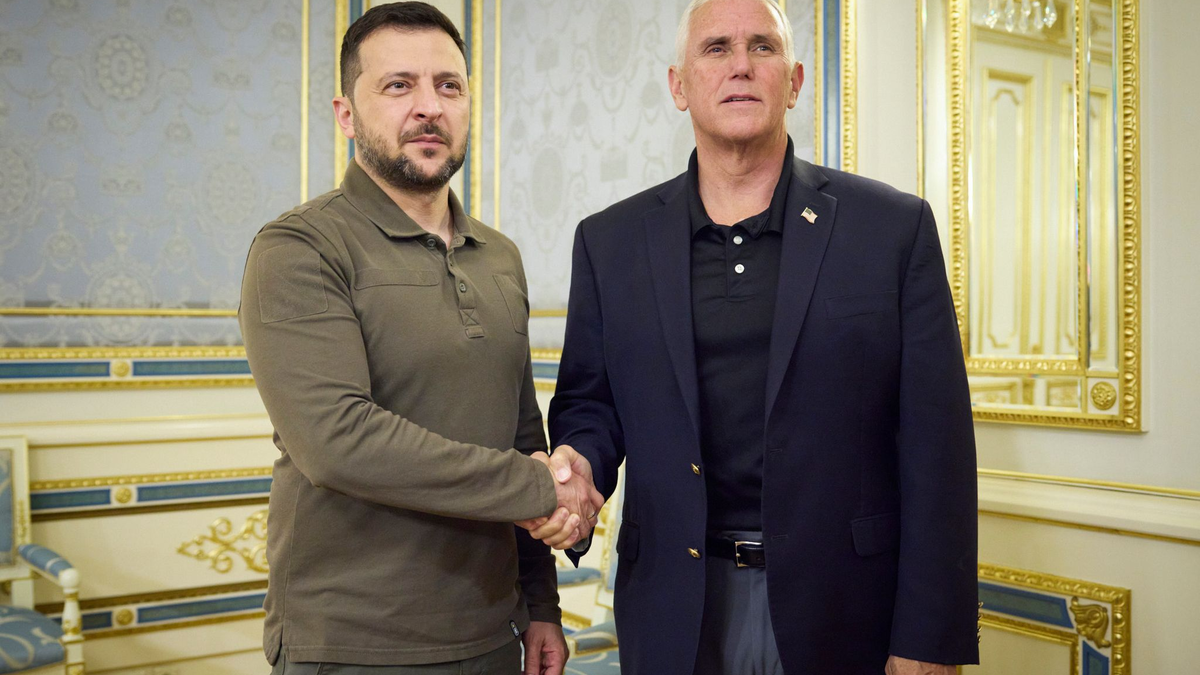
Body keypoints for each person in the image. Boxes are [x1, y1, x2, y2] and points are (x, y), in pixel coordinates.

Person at [542, 0, 979, 673]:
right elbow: (590, 405)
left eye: (762, 47)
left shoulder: (891, 230)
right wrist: (577, 465)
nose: (741, 66)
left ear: (795, 80)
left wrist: (928, 638)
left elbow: (937, 446)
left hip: (844, 608)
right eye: (716, 48)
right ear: (679, 84)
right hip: (675, 603)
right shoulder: (610, 241)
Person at [238, 3, 601, 674]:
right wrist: (536, 487)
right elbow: (337, 440)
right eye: (399, 85)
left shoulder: (499, 256)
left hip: (492, 633)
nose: (430, 106)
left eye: (449, 86)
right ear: (346, 113)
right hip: (352, 643)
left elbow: (521, 430)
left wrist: (541, 602)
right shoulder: (298, 248)